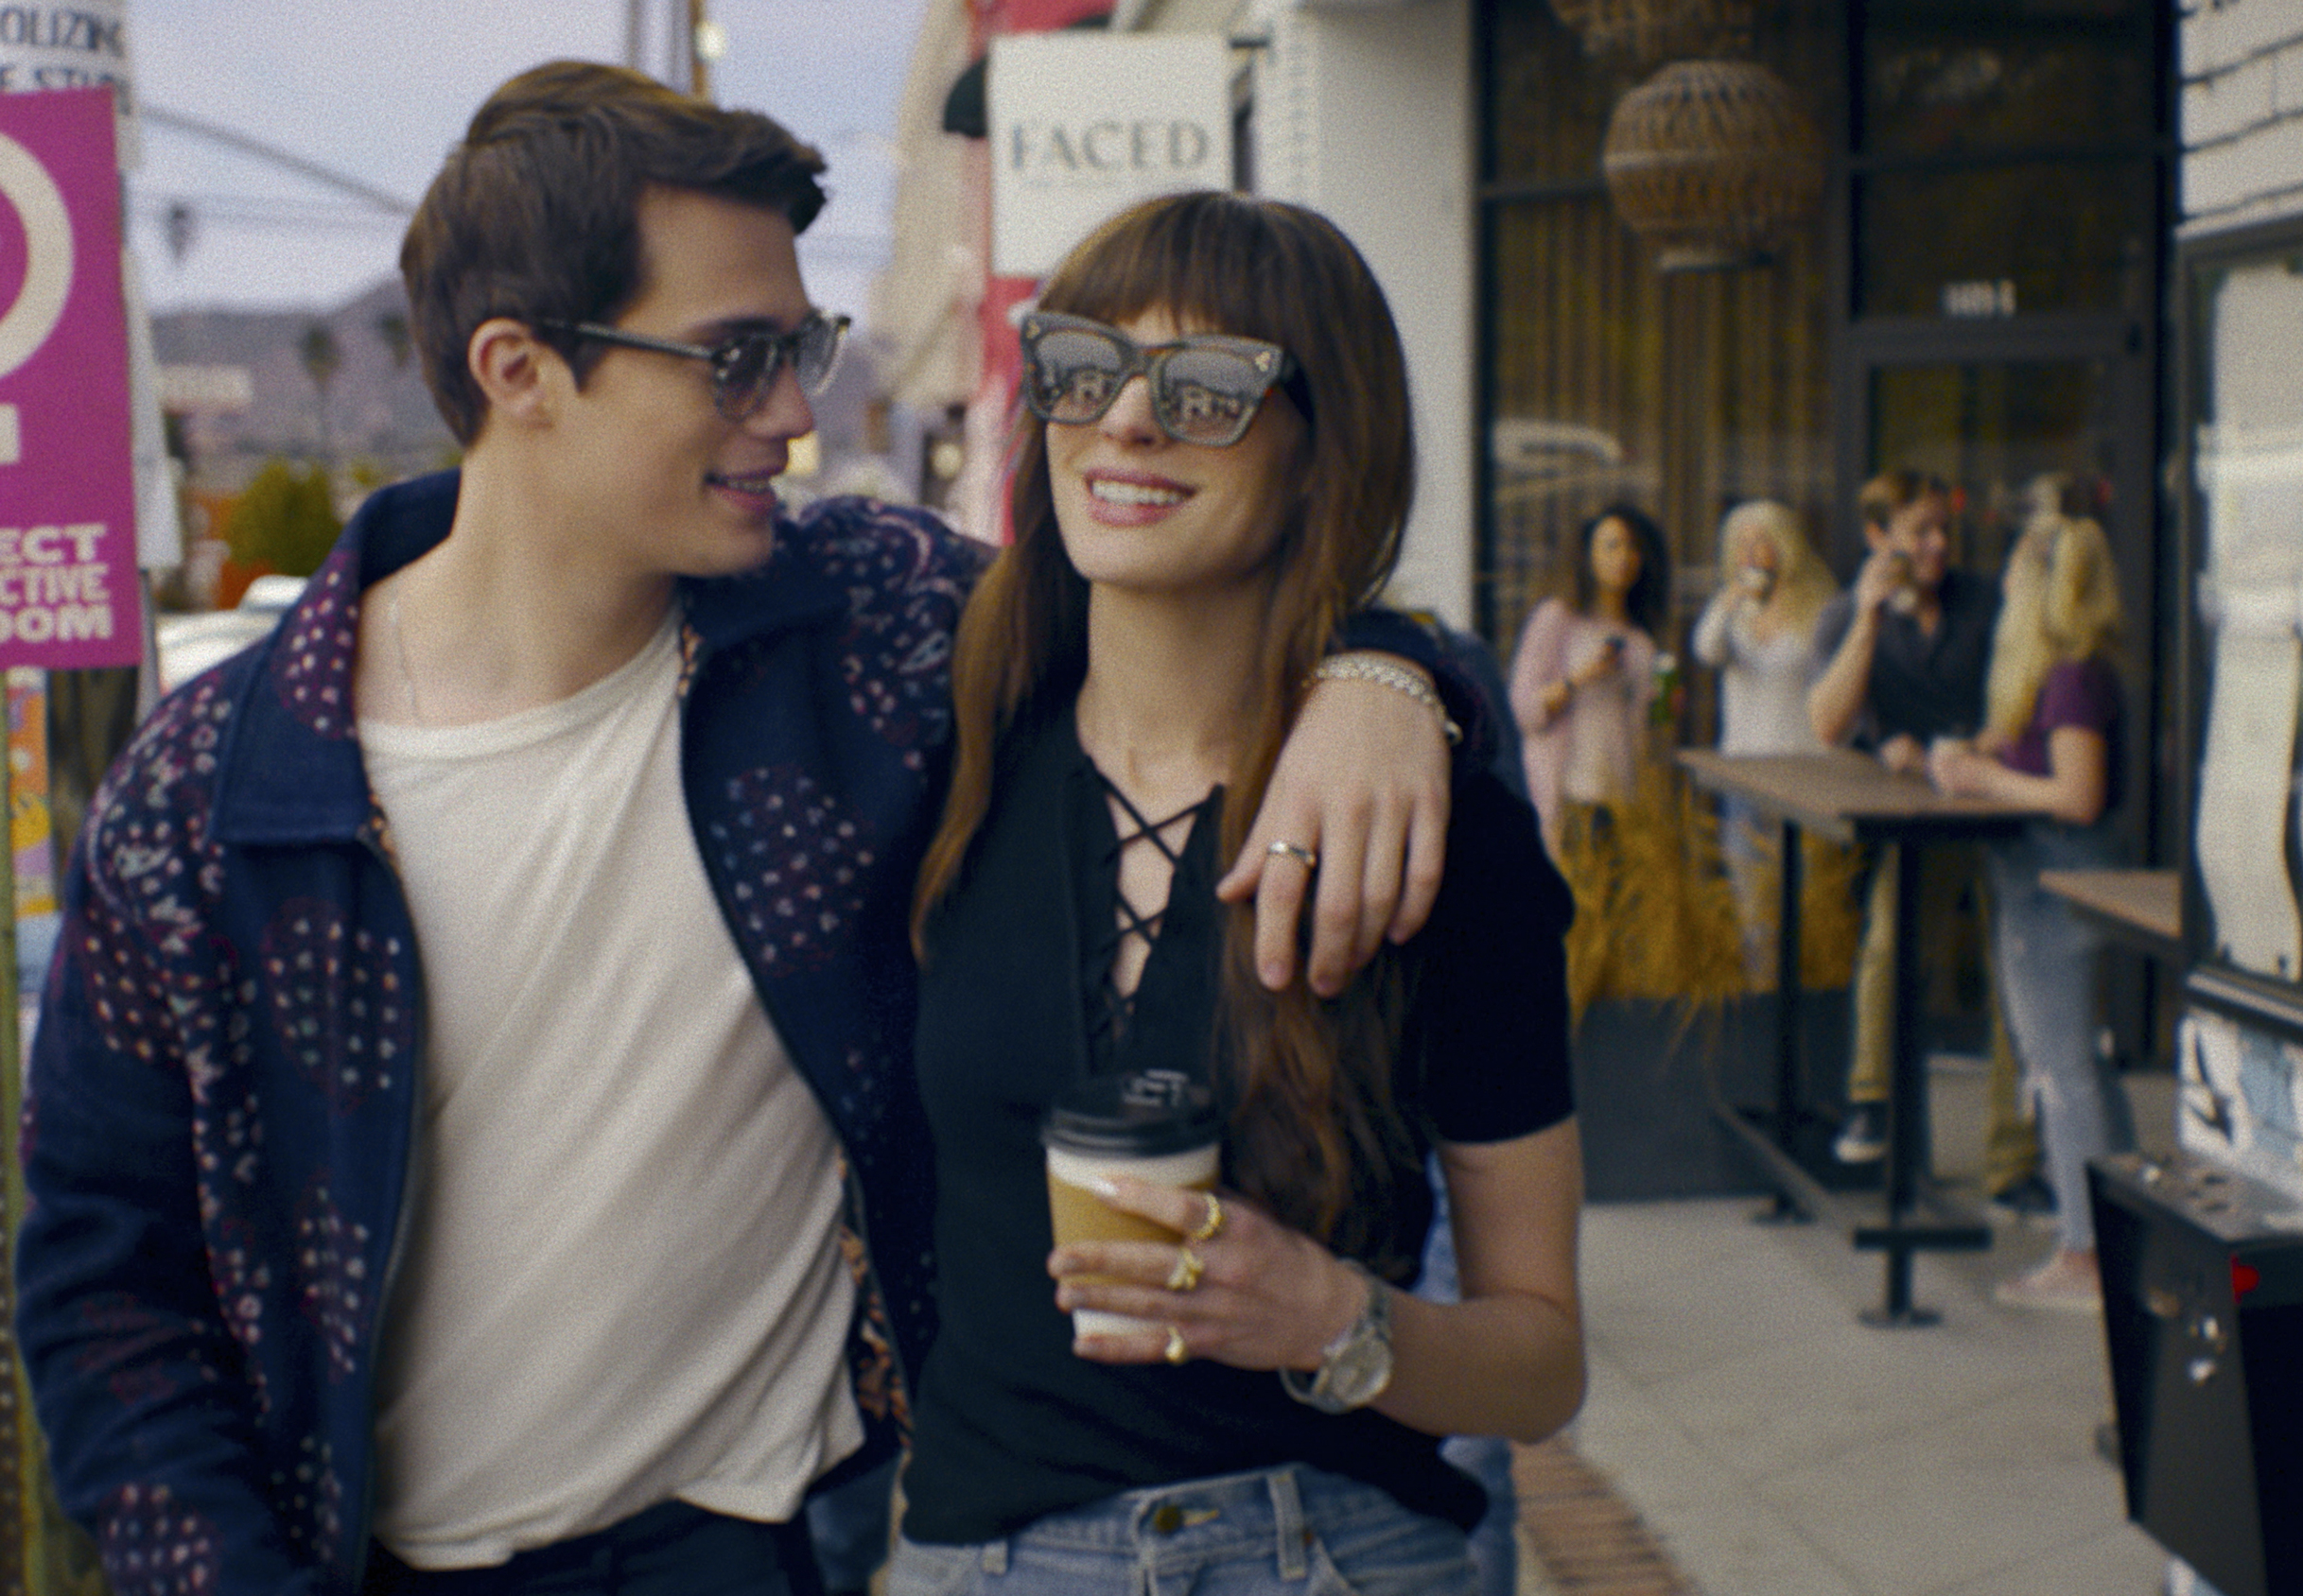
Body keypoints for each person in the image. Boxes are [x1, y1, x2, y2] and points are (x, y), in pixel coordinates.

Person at [13, 63, 1468, 1596]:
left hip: (796, 1540)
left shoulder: (877, 630)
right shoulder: (210, 799)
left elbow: (1196, 606)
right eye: (737, 359)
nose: (796, 408)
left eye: (802, 344)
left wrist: (1387, 670)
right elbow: (108, 1285)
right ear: (519, 368)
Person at [889, 192, 1582, 1595]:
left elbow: (1540, 1362)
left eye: (1207, 390)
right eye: (1083, 368)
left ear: (1326, 451)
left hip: (1330, 1549)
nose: (1126, 424)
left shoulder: (1445, 842)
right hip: (993, 1559)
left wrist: (1337, 1319)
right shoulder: (939, 758)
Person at [1924, 496, 2134, 1313]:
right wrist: (1978, 751)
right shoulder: (2070, 671)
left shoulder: (2073, 675)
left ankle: (2083, 1253)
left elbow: (2077, 795)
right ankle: (2107, 1236)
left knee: (2062, 1068)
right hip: (2045, 882)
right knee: (2077, 1064)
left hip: (2056, 881)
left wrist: (1985, 779)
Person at [1804, 472, 2005, 1166]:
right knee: (1890, 939)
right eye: (1920, 531)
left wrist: (1963, 749)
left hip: (2000, 802)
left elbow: (2021, 701)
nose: (1938, 545)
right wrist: (1867, 615)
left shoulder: (1985, 601)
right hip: (1915, 820)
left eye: (1944, 529)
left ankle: (2014, 1161)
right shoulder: (1845, 615)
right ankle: (1871, 1102)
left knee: (2011, 966)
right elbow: (1827, 723)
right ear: (1877, 538)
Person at [1689, 498, 1836, 979]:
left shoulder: (1818, 603)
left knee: (1810, 897)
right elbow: (1706, 652)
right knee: (1752, 903)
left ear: (1785, 544)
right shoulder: (1731, 608)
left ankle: (1813, 991)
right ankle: (1764, 993)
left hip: (1805, 771)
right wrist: (1728, 604)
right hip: (1746, 775)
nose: (1753, 551)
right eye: (1743, 542)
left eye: (1763, 539)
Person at [1509, 505, 1668, 863]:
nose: (1623, 557)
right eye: (1611, 546)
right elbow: (1523, 711)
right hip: (1568, 792)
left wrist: (1666, 706)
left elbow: (1651, 727)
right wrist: (1580, 677)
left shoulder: (1641, 641)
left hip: (1623, 795)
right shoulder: (1558, 619)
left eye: (1632, 548)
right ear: (1588, 555)